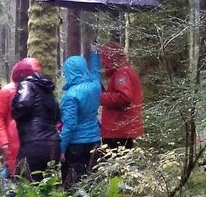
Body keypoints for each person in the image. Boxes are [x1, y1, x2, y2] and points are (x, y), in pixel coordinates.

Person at [58, 51, 103, 187]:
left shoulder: (70, 96)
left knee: (74, 183)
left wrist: (61, 149)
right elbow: (96, 70)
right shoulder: (95, 86)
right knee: (93, 180)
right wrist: (95, 53)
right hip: (95, 140)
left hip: (75, 145)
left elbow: (70, 125)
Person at [10, 59, 59, 178]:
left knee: (24, 184)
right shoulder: (47, 90)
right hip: (54, 144)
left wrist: (13, 106)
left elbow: (22, 104)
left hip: (33, 144)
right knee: (45, 187)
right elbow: (58, 115)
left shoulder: (26, 84)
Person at [0, 59, 40, 175]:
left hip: (34, 139)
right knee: (13, 172)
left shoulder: (40, 89)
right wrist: (4, 142)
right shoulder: (7, 91)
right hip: (13, 140)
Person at [98, 42, 144, 150]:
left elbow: (124, 97)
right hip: (122, 127)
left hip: (118, 128)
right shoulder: (125, 70)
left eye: (104, 58)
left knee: (116, 162)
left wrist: (100, 97)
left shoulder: (121, 73)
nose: (103, 63)